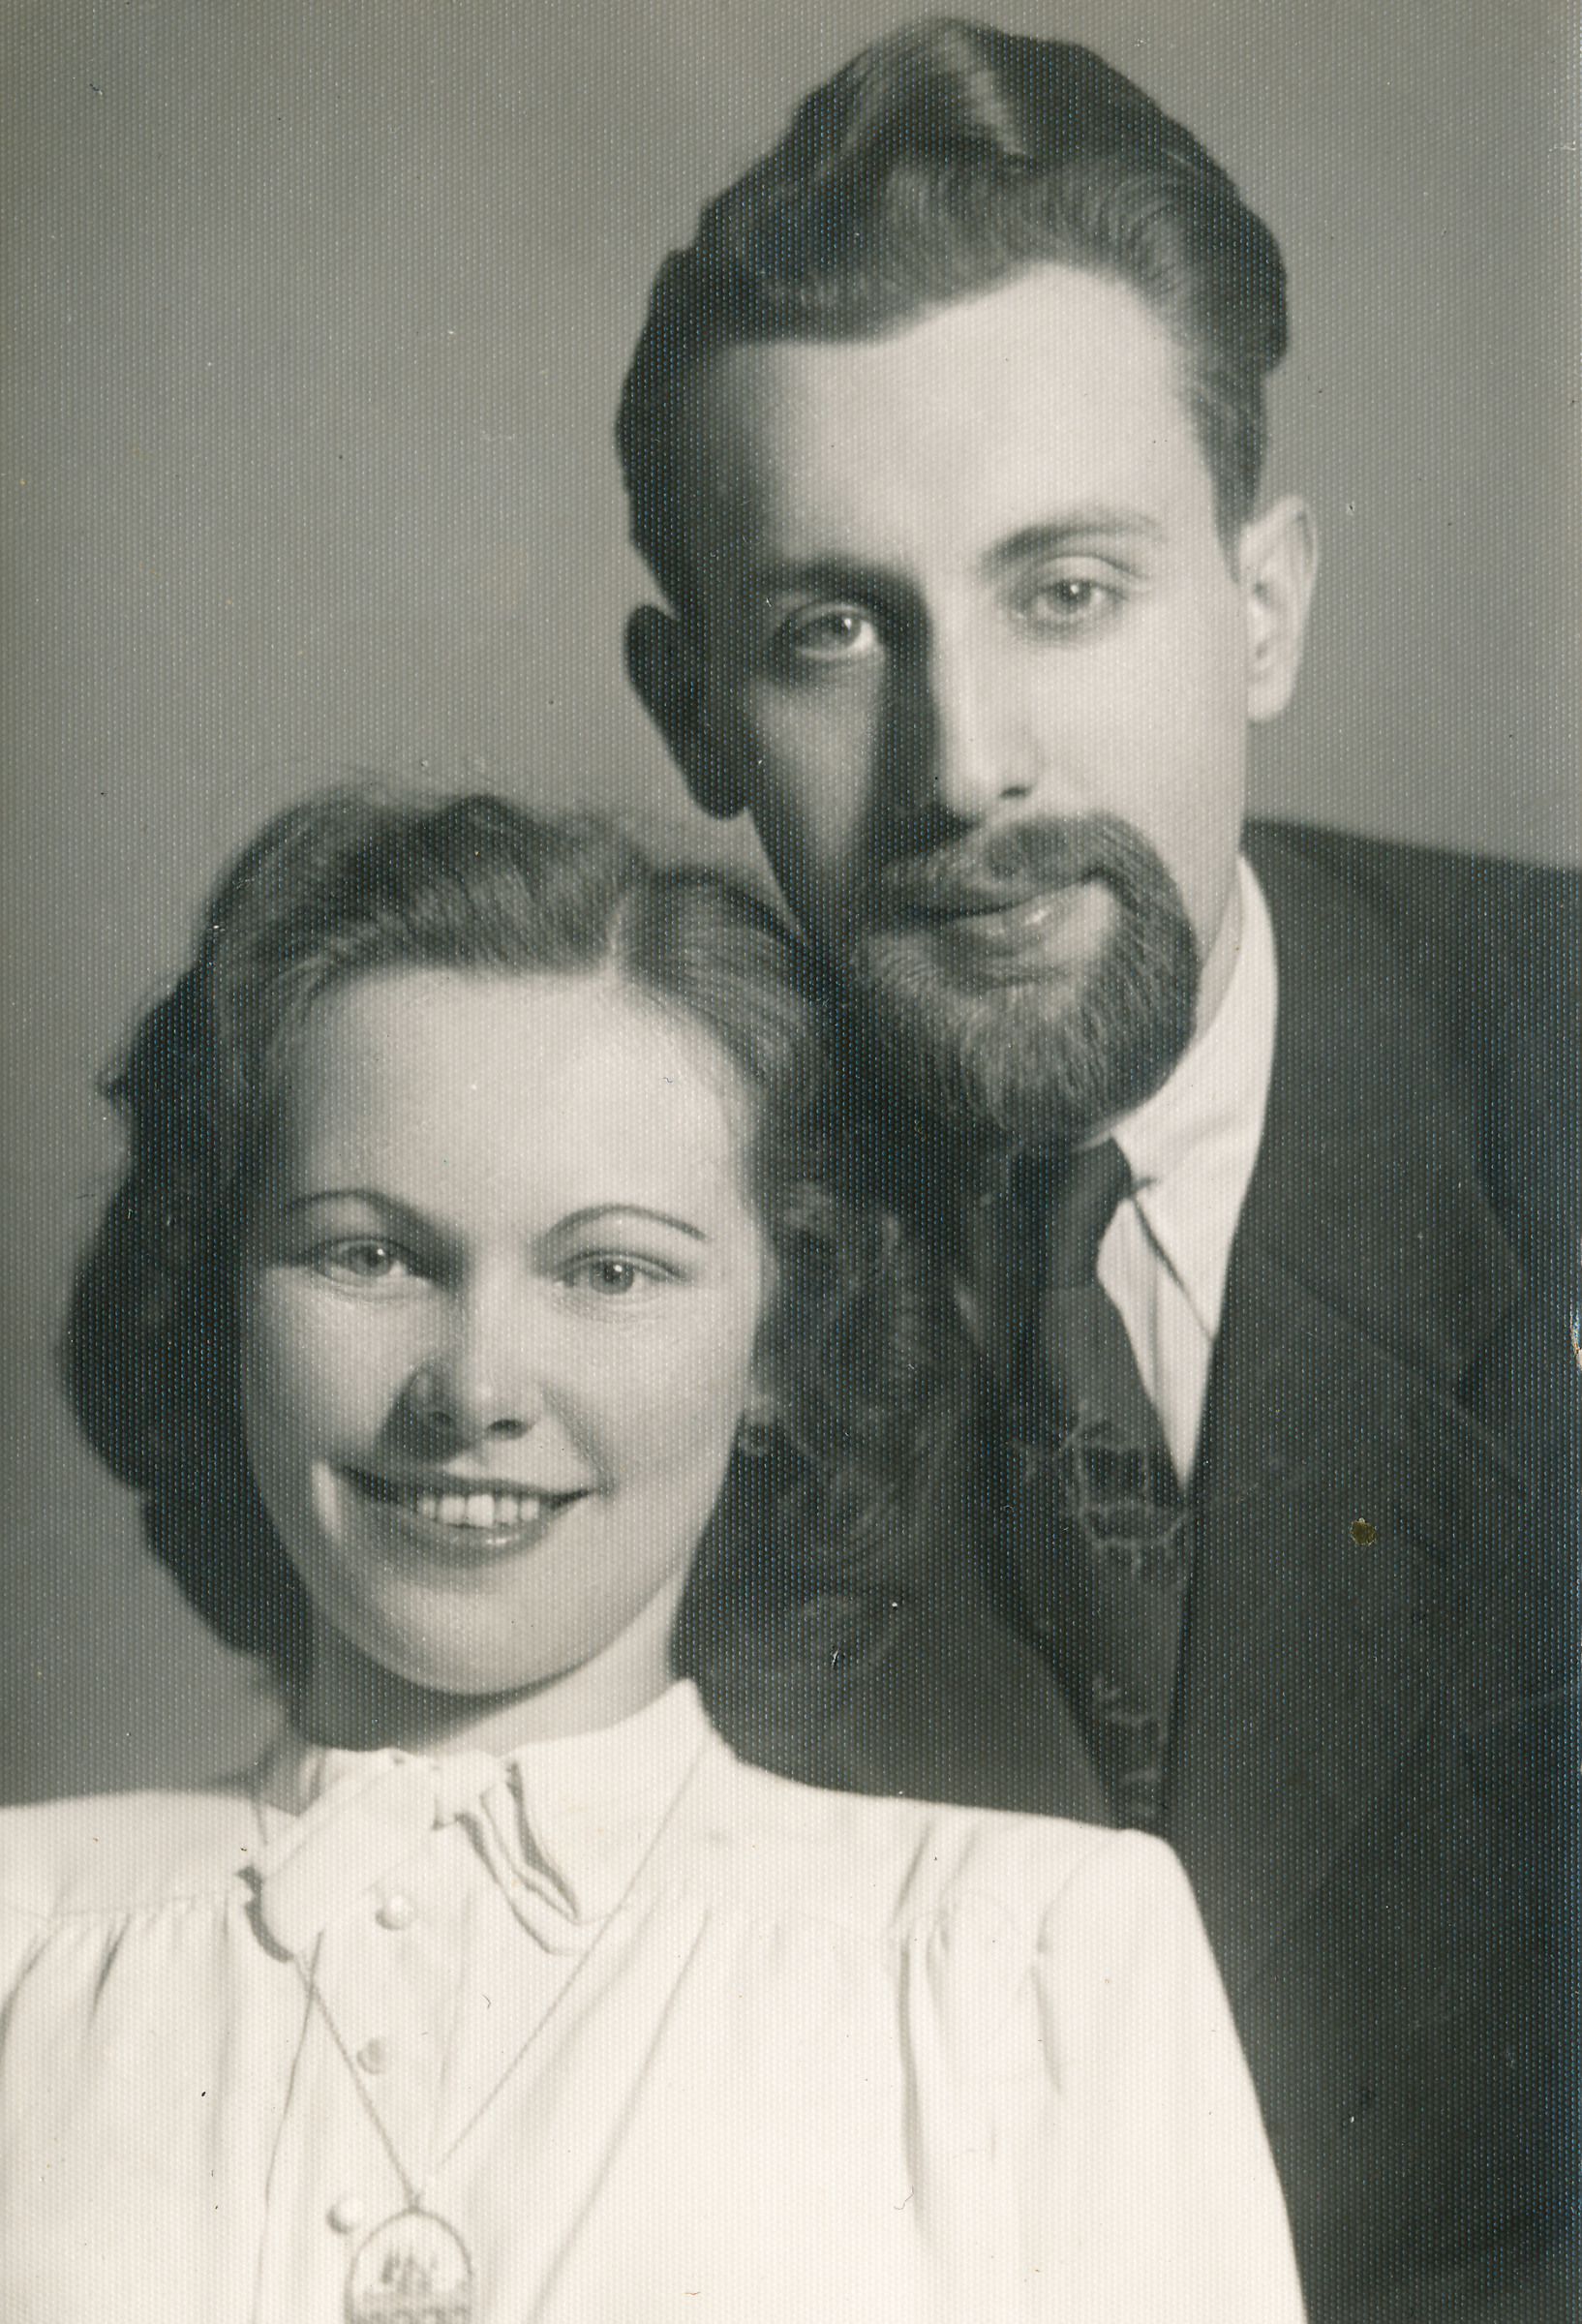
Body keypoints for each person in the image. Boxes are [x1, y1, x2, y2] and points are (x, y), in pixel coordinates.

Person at [617, 19, 1579, 2321]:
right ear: (693, 709)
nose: (969, 764)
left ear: (1263, 608)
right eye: (834, 629)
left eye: (1065, 590)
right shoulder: (600, 1256)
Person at [0, 788, 1303, 2322]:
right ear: (222, 1298)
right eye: (370, 1254)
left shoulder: (1024, 1961)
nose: (475, 1389)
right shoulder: (27, 1941)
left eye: (609, 1271)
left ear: (780, 1344)